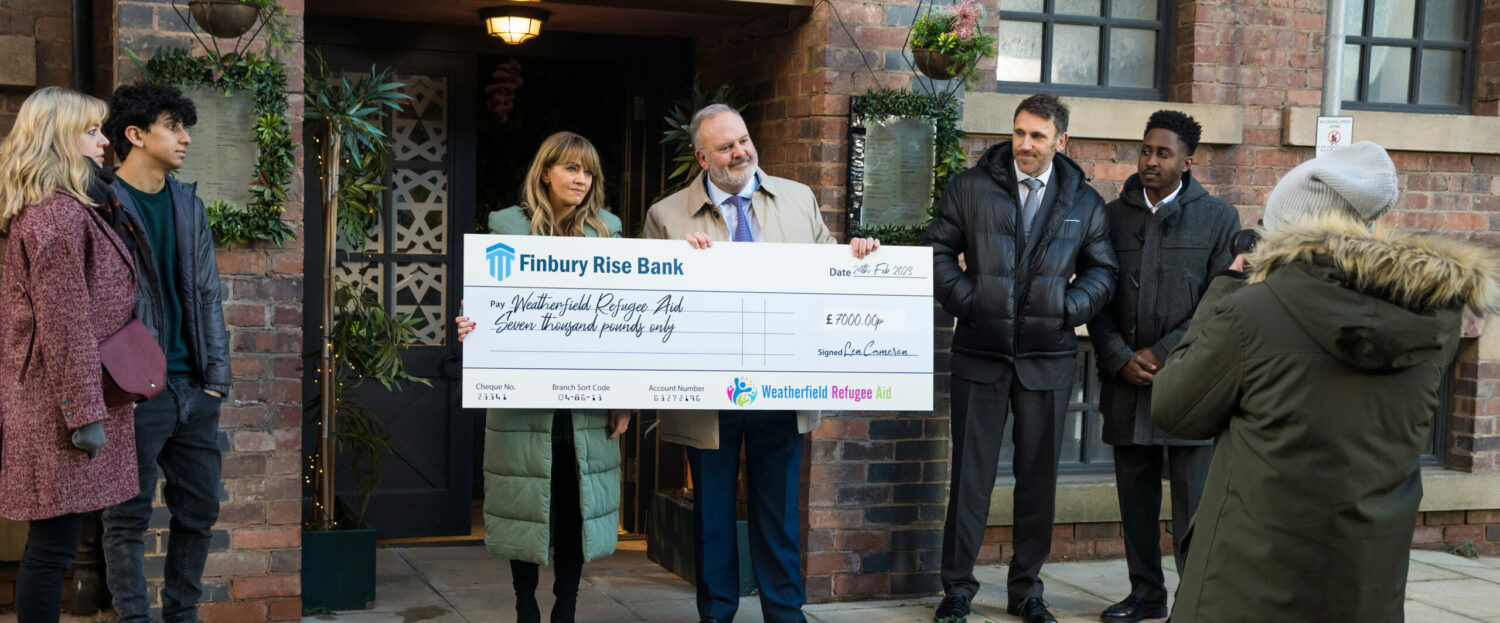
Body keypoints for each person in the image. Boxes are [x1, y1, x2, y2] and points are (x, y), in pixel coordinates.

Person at [1152, 142, 1500, 622]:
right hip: (1363, 589)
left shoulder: (1252, 311)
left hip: (1246, 586)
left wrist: (1225, 289)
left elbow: (1175, 409)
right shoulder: (1432, 321)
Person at [642, 103, 877, 623]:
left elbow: (829, 275)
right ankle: (717, 613)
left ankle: (785, 614)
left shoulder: (797, 199)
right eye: (725, 147)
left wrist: (856, 256)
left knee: (778, 514)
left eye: (743, 140)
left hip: (782, 386)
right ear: (702, 157)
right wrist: (678, 265)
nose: (740, 152)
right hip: (708, 394)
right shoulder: (667, 215)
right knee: (713, 516)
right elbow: (650, 307)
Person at [923, 93, 1116, 623]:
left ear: (1061, 141)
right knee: (970, 477)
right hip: (980, 354)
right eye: (1019, 133)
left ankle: (1027, 590)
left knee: (1038, 481)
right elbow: (937, 250)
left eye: (1037, 136)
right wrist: (971, 301)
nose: (1025, 144)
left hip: (1048, 357)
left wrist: (1068, 306)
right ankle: (957, 589)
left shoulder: (1084, 201)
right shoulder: (970, 186)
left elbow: (1104, 271)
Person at [455, 131, 632, 623]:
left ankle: (567, 608)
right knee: (527, 502)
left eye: (588, 171)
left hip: (587, 403)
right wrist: (471, 324)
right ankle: (525, 605)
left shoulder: (608, 232)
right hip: (523, 401)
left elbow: (622, 321)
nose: (581, 179)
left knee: (575, 511)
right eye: (572, 168)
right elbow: (487, 304)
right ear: (546, 171)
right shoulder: (505, 228)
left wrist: (624, 397)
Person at [1084, 111, 1239, 623]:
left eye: (1163, 153)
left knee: (1192, 506)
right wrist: (1116, 355)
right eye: (1146, 150)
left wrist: (1163, 352)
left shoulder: (1218, 219)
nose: (1151, 160)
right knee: (1136, 502)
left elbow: (1219, 303)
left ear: (1187, 161)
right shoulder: (1110, 216)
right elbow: (1096, 294)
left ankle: (1193, 600)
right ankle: (1145, 594)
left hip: (1189, 385)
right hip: (1125, 384)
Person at [0, 87, 139, 623]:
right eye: (92, 131)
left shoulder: (66, 208)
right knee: (53, 548)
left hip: (58, 398)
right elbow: (64, 326)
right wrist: (85, 416)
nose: (104, 141)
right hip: (58, 407)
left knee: (53, 544)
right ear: (59, 137)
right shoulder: (56, 217)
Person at [99, 84, 231, 623]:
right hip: (133, 390)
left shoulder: (187, 203)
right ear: (135, 135)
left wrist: (215, 379)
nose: (186, 137)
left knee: (199, 512)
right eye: (173, 126)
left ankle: (183, 616)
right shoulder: (101, 204)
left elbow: (207, 292)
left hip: (193, 389)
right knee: (127, 518)